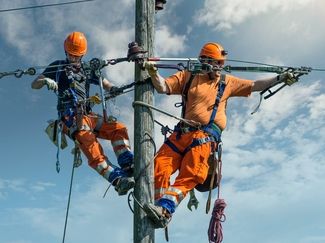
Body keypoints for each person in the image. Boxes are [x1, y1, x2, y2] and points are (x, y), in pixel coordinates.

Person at [142, 42, 298, 227]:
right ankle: (159, 208)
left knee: (191, 174)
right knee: (158, 167)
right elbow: (163, 87)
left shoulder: (226, 81)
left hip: (203, 137)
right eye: (217, 63)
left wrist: (279, 78)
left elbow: (256, 85)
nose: (220, 67)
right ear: (205, 61)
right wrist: (153, 73)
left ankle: (165, 209)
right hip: (180, 134)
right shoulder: (188, 76)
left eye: (221, 63)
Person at [31, 31, 134, 195]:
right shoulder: (57, 67)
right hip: (71, 117)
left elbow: (103, 82)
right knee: (90, 145)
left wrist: (113, 88)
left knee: (117, 129)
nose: (73, 59)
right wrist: (44, 81)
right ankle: (117, 179)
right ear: (66, 52)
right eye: (71, 55)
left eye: (77, 56)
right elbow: (34, 84)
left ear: (83, 54)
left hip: (88, 114)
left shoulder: (87, 69)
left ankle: (127, 162)